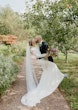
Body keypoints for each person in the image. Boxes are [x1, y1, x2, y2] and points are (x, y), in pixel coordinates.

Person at [21, 39, 65, 107]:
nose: (34, 41)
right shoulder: (32, 49)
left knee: (49, 69)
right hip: (40, 60)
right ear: (31, 43)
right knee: (52, 66)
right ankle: (51, 80)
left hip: (42, 59)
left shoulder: (36, 47)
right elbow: (37, 56)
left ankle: (50, 80)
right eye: (33, 41)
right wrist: (46, 54)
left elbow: (40, 53)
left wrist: (47, 53)